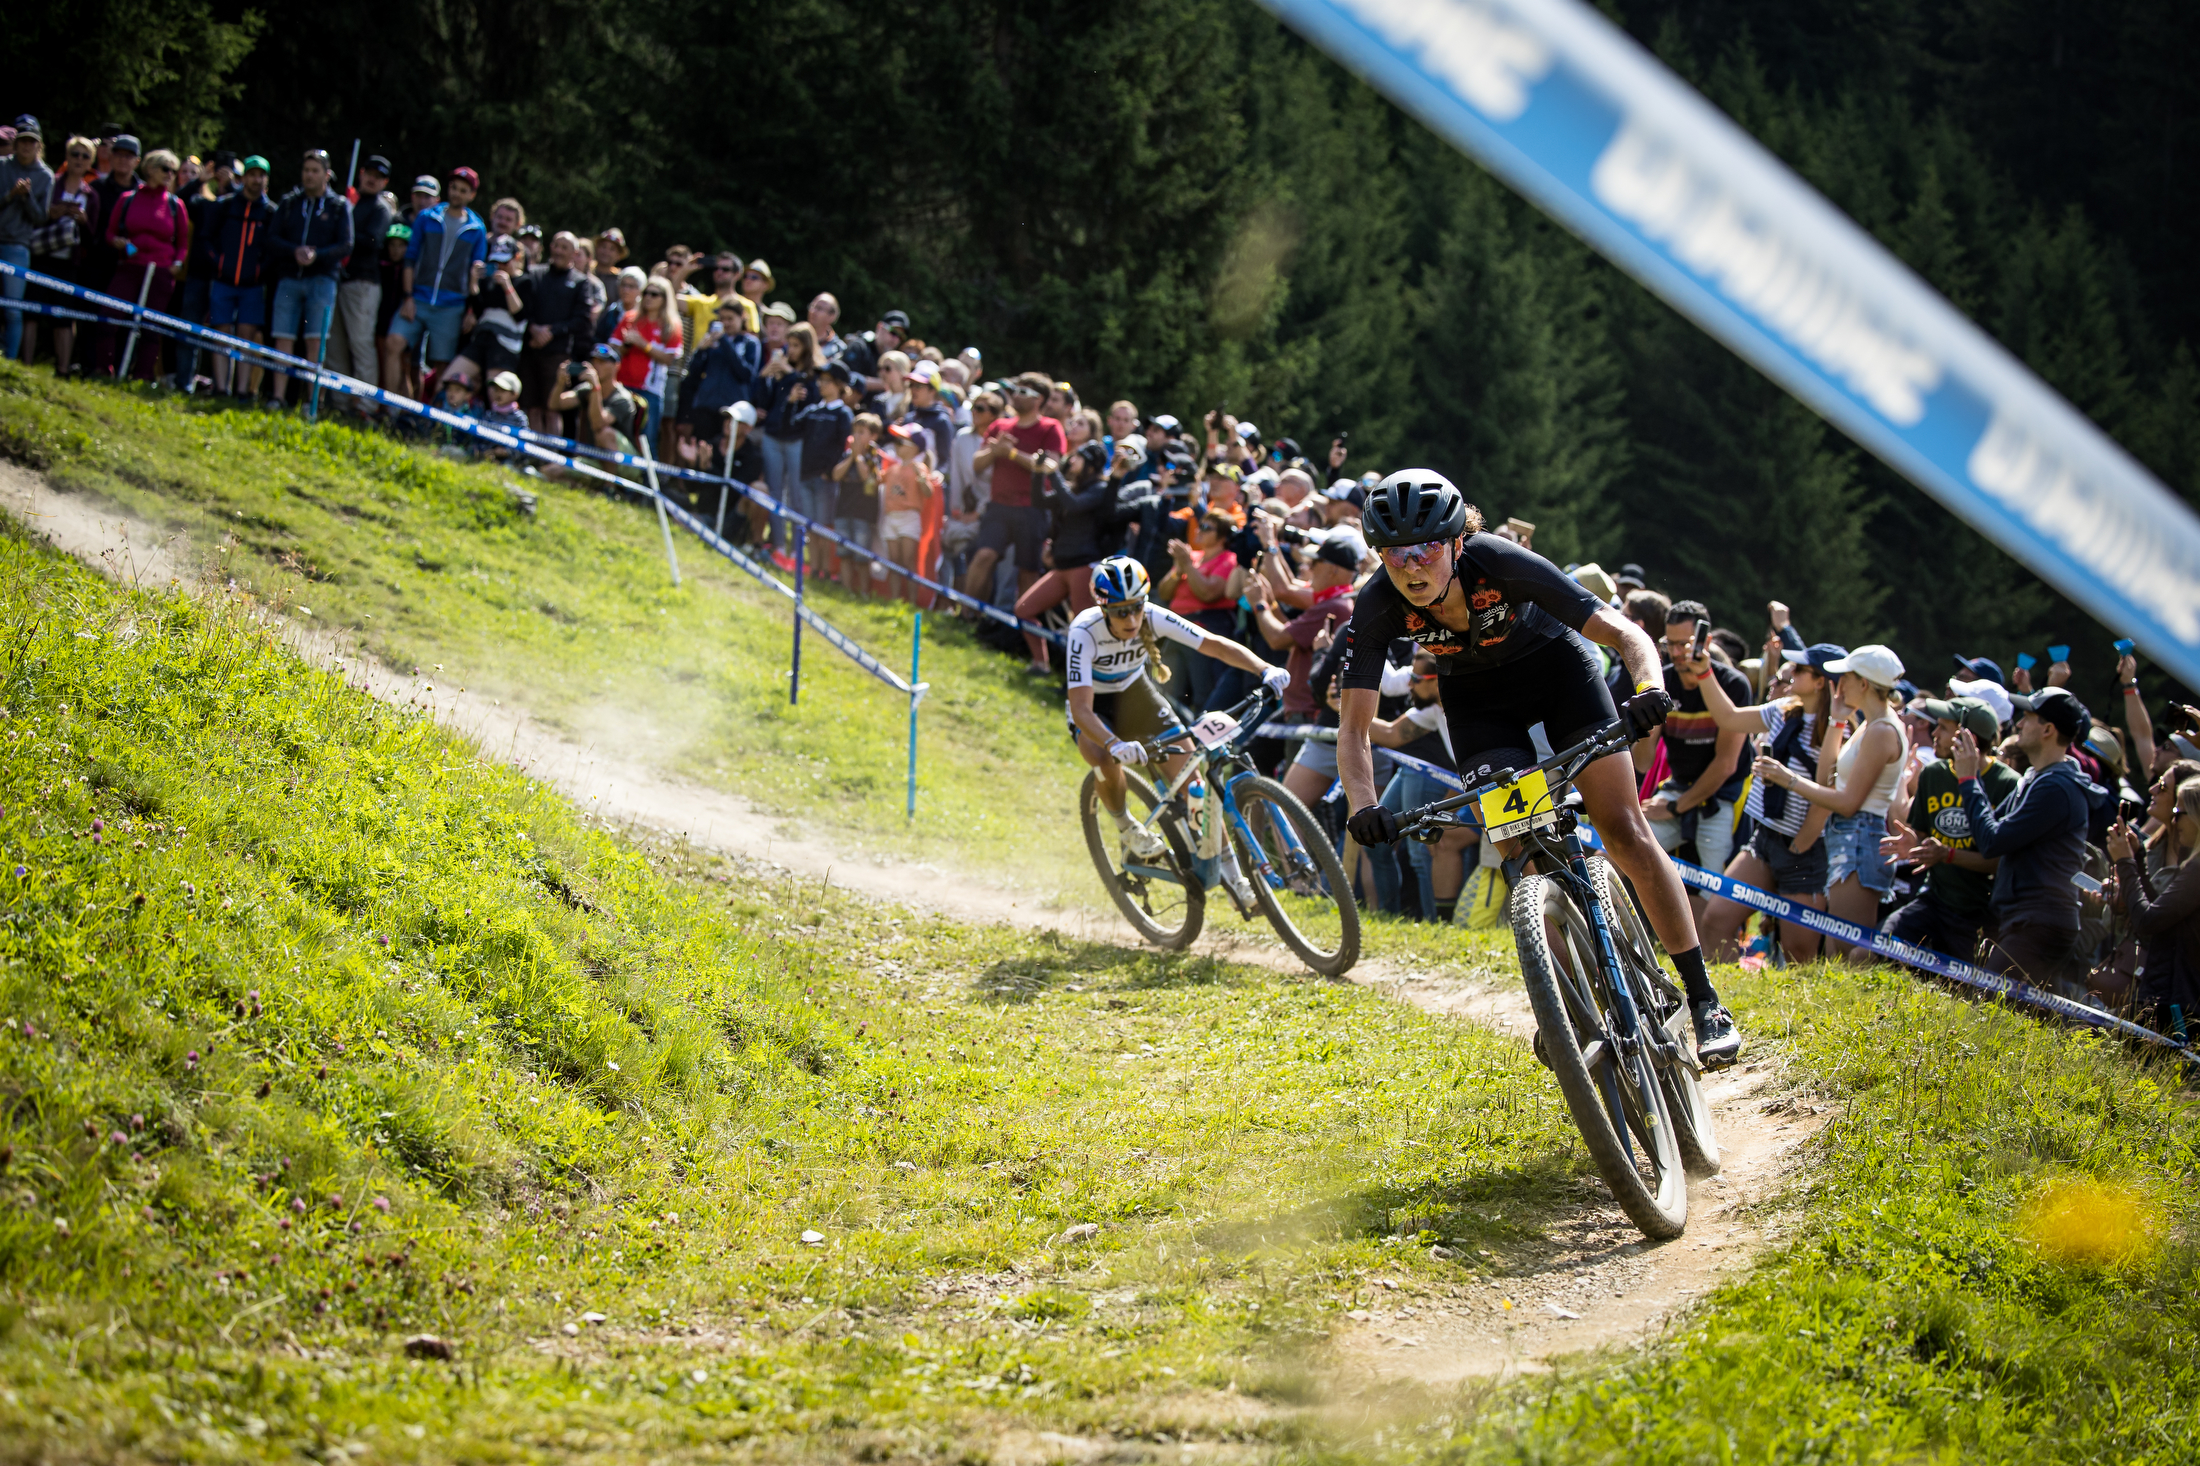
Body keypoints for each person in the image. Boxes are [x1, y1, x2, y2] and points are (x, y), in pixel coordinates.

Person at [1336, 471, 1742, 1067]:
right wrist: (1362, 805)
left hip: (1561, 676)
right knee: (1520, 858)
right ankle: (1567, 1008)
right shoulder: (1375, 608)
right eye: (1394, 553)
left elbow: (1626, 633)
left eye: (1425, 547)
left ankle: (1704, 998)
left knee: (1624, 830)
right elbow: (1353, 730)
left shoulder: (1500, 562)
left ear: (1455, 542)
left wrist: (1649, 687)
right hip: (1479, 707)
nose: (1411, 565)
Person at [1067, 556, 1289, 900]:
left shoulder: (1154, 616)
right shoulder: (1084, 631)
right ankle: (1126, 825)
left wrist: (1264, 669)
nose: (1131, 618)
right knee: (1101, 756)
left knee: (1194, 783)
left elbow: (1214, 644)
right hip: (1096, 705)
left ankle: (1235, 878)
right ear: (1103, 608)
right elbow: (1081, 708)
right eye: (1120, 611)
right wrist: (1114, 743)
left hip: (1135, 694)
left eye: (1136, 608)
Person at [1741, 645, 1908, 960]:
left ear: (1864, 683)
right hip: (1849, 837)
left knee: (1844, 953)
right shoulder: (1875, 724)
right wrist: (1837, 721)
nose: (1839, 684)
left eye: (1846, 677)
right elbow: (1826, 776)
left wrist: (1788, 779)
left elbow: (1846, 803)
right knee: (1836, 951)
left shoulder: (1881, 730)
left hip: (1859, 839)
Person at [1690, 641, 1839, 965]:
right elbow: (1728, 717)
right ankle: (1724, 1001)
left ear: (1820, 682)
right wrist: (1704, 673)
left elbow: (1827, 795)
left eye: (1799, 669)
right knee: (1716, 919)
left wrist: (1800, 846)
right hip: (1766, 838)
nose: (1790, 672)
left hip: (1805, 849)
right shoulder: (1783, 709)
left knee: (1799, 954)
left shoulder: (1837, 729)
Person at [1953, 685, 2104, 996]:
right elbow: (1990, 826)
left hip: (2039, 923)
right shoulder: (2036, 779)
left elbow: (1992, 841)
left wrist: (1969, 779)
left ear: (2048, 729)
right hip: (2028, 920)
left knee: (1987, 1006)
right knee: (2032, 1021)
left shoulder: (2056, 788)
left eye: (2028, 717)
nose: (2019, 723)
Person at [1880, 696, 2018, 964]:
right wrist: (1915, 842)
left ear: (1968, 739)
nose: (1934, 733)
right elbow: (1922, 835)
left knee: (1969, 991)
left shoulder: (2007, 785)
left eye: (1943, 728)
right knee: (1884, 947)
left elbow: (2000, 862)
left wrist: (1948, 855)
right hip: (1934, 899)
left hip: (1980, 911)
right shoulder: (1934, 774)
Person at [1249, 527, 1361, 810]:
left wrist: (1260, 605)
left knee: (1297, 801)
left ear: (1334, 571)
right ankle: (1269, 836)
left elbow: (1277, 638)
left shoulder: (1332, 605)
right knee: (1257, 756)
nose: (1308, 567)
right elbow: (1291, 636)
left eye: (1315, 563)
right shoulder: (1336, 600)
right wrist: (1268, 602)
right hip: (1301, 707)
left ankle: (1281, 847)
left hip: (1306, 711)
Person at [1646, 600, 1752, 886]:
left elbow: (1725, 765)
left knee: (1713, 887)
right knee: (1624, 853)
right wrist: (1644, 723)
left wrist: (1675, 807)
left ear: (1706, 641)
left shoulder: (1734, 684)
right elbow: (1643, 760)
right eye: (1671, 644)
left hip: (1721, 797)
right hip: (1677, 789)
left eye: (1685, 644)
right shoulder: (1662, 679)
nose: (1677, 653)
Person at [965, 371, 1066, 609]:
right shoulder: (1000, 425)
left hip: (1032, 509)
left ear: (1038, 399)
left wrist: (1011, 454)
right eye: (1016, 390)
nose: (1015, 396)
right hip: (998, 506)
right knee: (984, 557)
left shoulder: (1051, 428)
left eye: (1023, 392)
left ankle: (1023, 627)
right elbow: (977, 463)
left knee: (1028, 570)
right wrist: (994, 451)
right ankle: (966, 613)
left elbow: (1050, 466)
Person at [1015, 440, 1117, 674]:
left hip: (1084, 567)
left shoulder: (1099, 490)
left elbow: (1073, 504)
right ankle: (1041, 664)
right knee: (1024, 610)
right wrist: (1038, 473)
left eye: (1078, 457)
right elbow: (1039, 500)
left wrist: (1054, 474)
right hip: (1062, 566)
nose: (1072, 460)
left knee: (1082, 629)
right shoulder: (1073, 486)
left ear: (1091, 465)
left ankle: (1082, 680)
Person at [2109, 782, 2200, 1037]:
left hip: (2176, 1007)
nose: (2173, 818)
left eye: (2178, 810)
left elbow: (2148, 921)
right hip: (2175, 1002)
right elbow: (2161, 914)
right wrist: (2136, 858)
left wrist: (2125, 863)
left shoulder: (2197, 870)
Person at [267, 149, 353, 405]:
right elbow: (271, 238)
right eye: (306, 170)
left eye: (315, 171)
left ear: (326, 175)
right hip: (289, 278)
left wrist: (318, 255)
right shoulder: (289, 203)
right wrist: (294, 251)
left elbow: (346, 244)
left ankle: (312, 401)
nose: (309, 176)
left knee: (315, 341)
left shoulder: (339, 206)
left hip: (322, 280)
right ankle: (278, 397)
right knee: (283, 337)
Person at [387, 169, 485, 393]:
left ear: (471, 195)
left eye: (463, 190)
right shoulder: (427, 217)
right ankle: (390, 412)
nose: (457, 194)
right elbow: (410, 260)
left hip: (451, 306)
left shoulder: (476, 228)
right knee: (394, 344)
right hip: (418, 298)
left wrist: (471, 311)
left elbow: (474, 275)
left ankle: (437, 424)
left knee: (443, 366)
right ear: (447, 189)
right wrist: (408, 297)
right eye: (454, 188)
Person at [98, 148, 190, 381]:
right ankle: (104, 369)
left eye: (173, 171)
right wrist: (120, 243)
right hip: (131, 266)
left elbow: (182, 243)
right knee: (110, 315)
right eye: (165, 169)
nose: (170, 174)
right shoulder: (128, 199)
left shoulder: (175, 204)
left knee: (151, 327)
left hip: (160, 271)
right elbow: (109, 233)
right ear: (150, 169)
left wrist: (177, 263)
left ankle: (142, 375)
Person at [1157, 508, 1243, 709]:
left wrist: (1187, 565)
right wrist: (1179, 571)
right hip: (1176, 627)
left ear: (1223, 536)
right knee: (1168, 691)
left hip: (1206, 627)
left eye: (1207, 528)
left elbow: (1208, 593)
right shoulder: (1192, 557)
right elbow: (1164, 593)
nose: (1199, 531)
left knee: (1202, 692)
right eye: (1200, 525)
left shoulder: (1228, 559)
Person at [755, 319, 821, 565]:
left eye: (795, 345)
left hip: (796, 441)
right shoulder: (780, 368)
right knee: (774, 492)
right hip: (773, 436)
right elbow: (765, 402)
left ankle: (796, 550)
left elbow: (809, 403)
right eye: (788, 344)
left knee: (796, 496)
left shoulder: (813, 375)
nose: (790, 350)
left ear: (806, 346)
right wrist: (764, 377)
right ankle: (779, 545)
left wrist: (791, 375)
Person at [32, 134, 98, 375]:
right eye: (75, 154)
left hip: (69, 262)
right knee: (31, 311)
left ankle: (62, 369)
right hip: (40, 255)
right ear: (66, 157)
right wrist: (51, 214)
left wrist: (84, 221)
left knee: (64, 317)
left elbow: (93, 238)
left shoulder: (91, 194)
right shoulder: (51, 183)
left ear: (90, 161)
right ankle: (26, 363)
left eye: (85, 156)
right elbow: (33, 215)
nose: (79, 159)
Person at [516, 231, 593, 433]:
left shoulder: (580, 282)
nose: (558, 251)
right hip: (530, 349)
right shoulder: (534, 273)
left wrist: (551, 332)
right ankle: (533, 454)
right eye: (556, 245)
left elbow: (582, 320)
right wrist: (533, 329)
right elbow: (522, 308)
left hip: (558, 353)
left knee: (552, 407)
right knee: (531, 407)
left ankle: (550, 458)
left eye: (564, 247)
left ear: (575, 253)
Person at [786, 359, 855, 573]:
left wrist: (829, 472)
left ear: (840, 386)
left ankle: (826, 570)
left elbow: (844, 447)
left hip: (826, 480)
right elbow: (791, 427)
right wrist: (790, 403)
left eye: (828, 381)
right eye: (821, 380)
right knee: (810, 527)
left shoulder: (843, 414)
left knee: (824, 527)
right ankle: (814, 568)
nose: (821, 385)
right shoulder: (812, 410)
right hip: (806, 476)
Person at [336, 154, 395, 398]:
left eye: (379, 177)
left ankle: (365, 404)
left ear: (385, 182)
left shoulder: (380, 209)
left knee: (360, 344)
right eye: (370, 173)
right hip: (339, 280)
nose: (372, 179)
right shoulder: (348, 203)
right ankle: (340, 401)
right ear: (361, 173)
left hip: (363, 284)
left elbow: (372, 241)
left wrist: (345, 227)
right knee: (335, 347)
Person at [1, 116, 55, 362]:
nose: (25, 146)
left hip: (17, 247)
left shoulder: (45, 176)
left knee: (13, 308)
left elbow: (40, 217)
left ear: (38, 145)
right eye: (22, 140)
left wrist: (27, 196)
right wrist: (11, 195)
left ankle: (9, 361)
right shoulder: (2, 166)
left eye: (31, 141)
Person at [615, 274, 683, 441]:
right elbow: (613, 348)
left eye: (654, 294)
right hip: (622, 385)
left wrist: (643, 344)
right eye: (646, 293)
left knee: (646, 440)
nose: (648, 298)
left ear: (664, 298)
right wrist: (625, 345)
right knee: (618, 436)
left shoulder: (671, 325)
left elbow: (669, 359)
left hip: (650, 391)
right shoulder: (629, 318)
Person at [879, 422, 939, 602]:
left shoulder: (919, 468)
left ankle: (912, 601)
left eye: (900, 442)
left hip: (909, 517)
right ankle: (895, 599)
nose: (896, 445)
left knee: (908, 561)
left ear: (914, 448)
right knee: (893, 561)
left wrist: (923, 481)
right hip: (891, 517)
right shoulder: (892, 468)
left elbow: (928, 492)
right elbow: (875, 481)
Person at [831, 411, 885, 596]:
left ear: (873, 436)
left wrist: (859, 457)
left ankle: (864, 592)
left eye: (862, 431)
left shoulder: (875, 457)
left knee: (862, 557)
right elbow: (836, 475)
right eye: (855, 431)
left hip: (863, 513)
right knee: (844, 554)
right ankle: (847, 590)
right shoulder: (847, 454)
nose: (857, 435)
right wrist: (851, 457)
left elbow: (867, 478)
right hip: (843, 510)